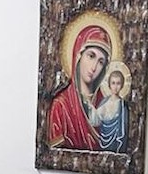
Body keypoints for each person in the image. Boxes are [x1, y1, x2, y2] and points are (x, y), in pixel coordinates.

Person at [47, 23, 112, 151]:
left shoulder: (106, 106)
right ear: (78, 55)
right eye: (91, 56)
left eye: (101, 62)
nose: (94, 67)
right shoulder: (61, 106)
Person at [95, 66, 129, 153]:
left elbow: (124, 128)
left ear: (122, 85)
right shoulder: (104, 102)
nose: (115, 87)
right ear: (109, 85)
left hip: (116, 142)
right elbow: (96, 119)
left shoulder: (122, 105)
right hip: (102, 140)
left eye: (118, 83)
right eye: (113, 83)